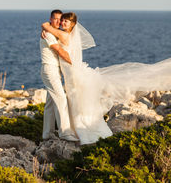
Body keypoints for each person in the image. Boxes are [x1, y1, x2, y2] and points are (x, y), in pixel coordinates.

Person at [42, 12, 171, 145]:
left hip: (73, 73)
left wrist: (45, 26)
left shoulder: (63, 35)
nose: (62, 23)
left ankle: (78, 130)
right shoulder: (67, 34)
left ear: (73, 24)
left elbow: (47, 27)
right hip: (71, 73)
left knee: (75, 100)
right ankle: (76, 129)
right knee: (76, 100)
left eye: (66, 21)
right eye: (62, 20)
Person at [40, 10, 79, 142]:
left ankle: (47, 133)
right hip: (49, 69)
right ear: (50, 19)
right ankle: (64, 133)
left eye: (60, 19)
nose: (58, 22)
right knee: (61, 99)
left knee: (50, 103)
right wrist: (76, 62)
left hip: (55, 70)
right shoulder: (48, 35)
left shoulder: (53, 33)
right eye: (55, 19)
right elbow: (60, 51)